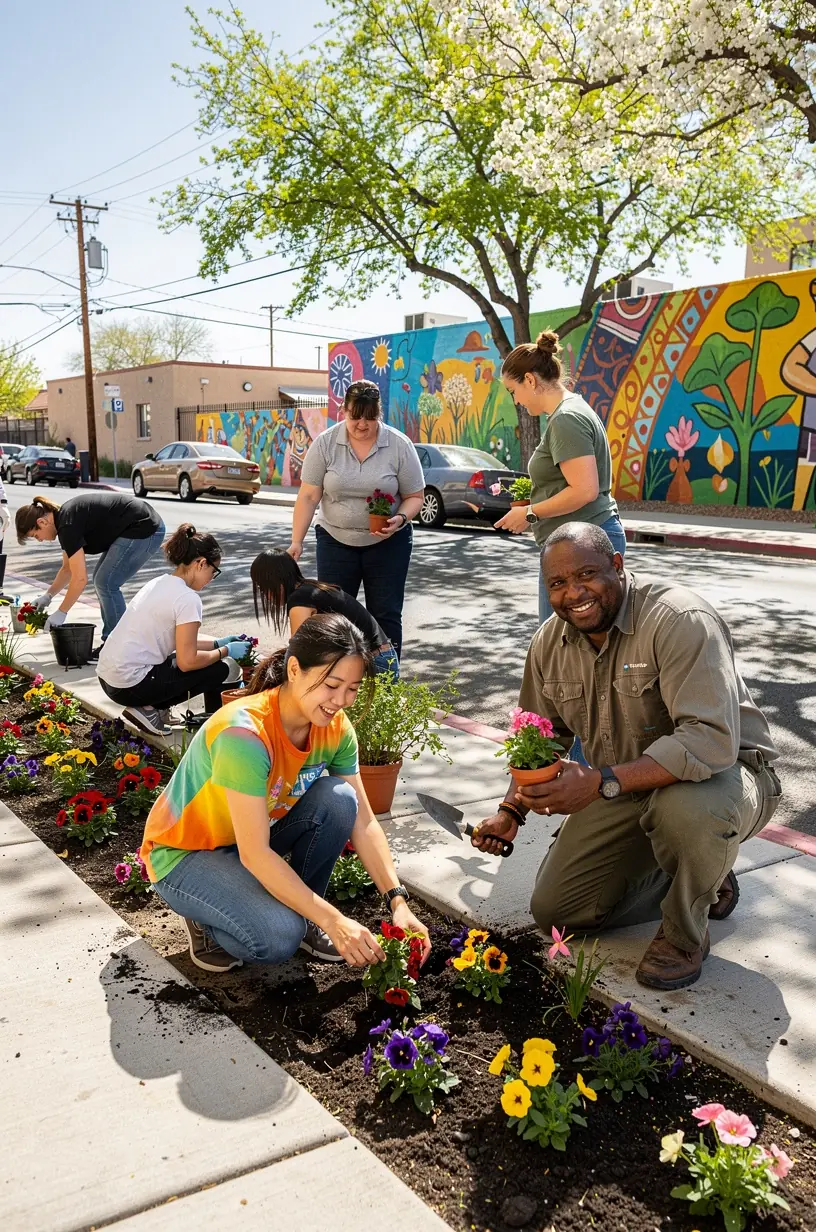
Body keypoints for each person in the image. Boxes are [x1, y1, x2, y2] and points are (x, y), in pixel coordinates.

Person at [472, 523, 782, 991]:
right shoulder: (548, 644)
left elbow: (710, 741)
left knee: (687, 811)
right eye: (557, 583)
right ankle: (700, 873)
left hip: (721, 778)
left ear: (617, 565)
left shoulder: (679, 619)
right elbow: (537, 742)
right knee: (558, 912)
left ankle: (684, 934)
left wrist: (599, 782)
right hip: (623, 784)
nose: (574, 593)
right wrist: (511, 810)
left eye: (586, 574)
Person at [140, 612, 430, 972]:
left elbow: (365, 822)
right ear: (294, 670)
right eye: (331, 685)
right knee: (277, 937)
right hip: (187, 854)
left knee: (340, 799)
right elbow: (256, 854)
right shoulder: (244, 735)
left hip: (247, 840)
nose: (341, 700)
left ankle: (306, 915)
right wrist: (335, 920)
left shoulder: (334, 727)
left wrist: (398, 902)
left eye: (352, 689)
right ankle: (207, 920)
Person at [287, 380, 424, 658]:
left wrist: (400, 518)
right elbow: (309, 496)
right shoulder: (325, 443)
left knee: (385, 614)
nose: (362, 424)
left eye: (370, 417)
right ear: (344, 411)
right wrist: (296, 541)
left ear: (379, 414)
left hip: (389, 543)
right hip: (335, 540)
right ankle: (339, 676)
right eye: (355, 416)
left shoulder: (399, 445)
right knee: (334, 614)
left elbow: (415, 496)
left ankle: (386, 677)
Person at [496, 330, 626, 624]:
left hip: (582, 547)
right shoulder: (570, 411)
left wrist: (529, 513)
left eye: (513, 390)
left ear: (530, 380)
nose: (516, 400)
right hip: (581, 543)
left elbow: (584, 490)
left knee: (562, 641)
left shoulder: (566, 418)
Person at [97, 523, 249, 737]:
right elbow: (188, 661)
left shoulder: (159, 582)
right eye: (213, 572)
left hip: (109, 678)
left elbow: (180, 641)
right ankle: (150, 708)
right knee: (220, 668)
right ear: (201, 563)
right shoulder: (188, 599)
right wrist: (226, 651)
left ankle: (154, 706)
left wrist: (217, 643)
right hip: (131, 685)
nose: (211, 580)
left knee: (184, 659)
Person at [15, 492, 165, 654]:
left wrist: (62, 612)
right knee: (102, 581)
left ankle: (118, 647)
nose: (39, 539)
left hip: (145, 528)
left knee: (106, 582)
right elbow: (67, 569)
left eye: (35, 535)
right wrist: (48, 596)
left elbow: (80, 579)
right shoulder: (65, 521)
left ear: (42, 522)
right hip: (136, 526)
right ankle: (114, 643)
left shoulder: (67, 525)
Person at [251, 548, 399, 677]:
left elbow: (298, 650)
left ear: (275, 581)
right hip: (382, 657)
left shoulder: (300, 599)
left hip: (374, 663)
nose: (265, 595)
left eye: (263, 588)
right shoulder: (309, 588)